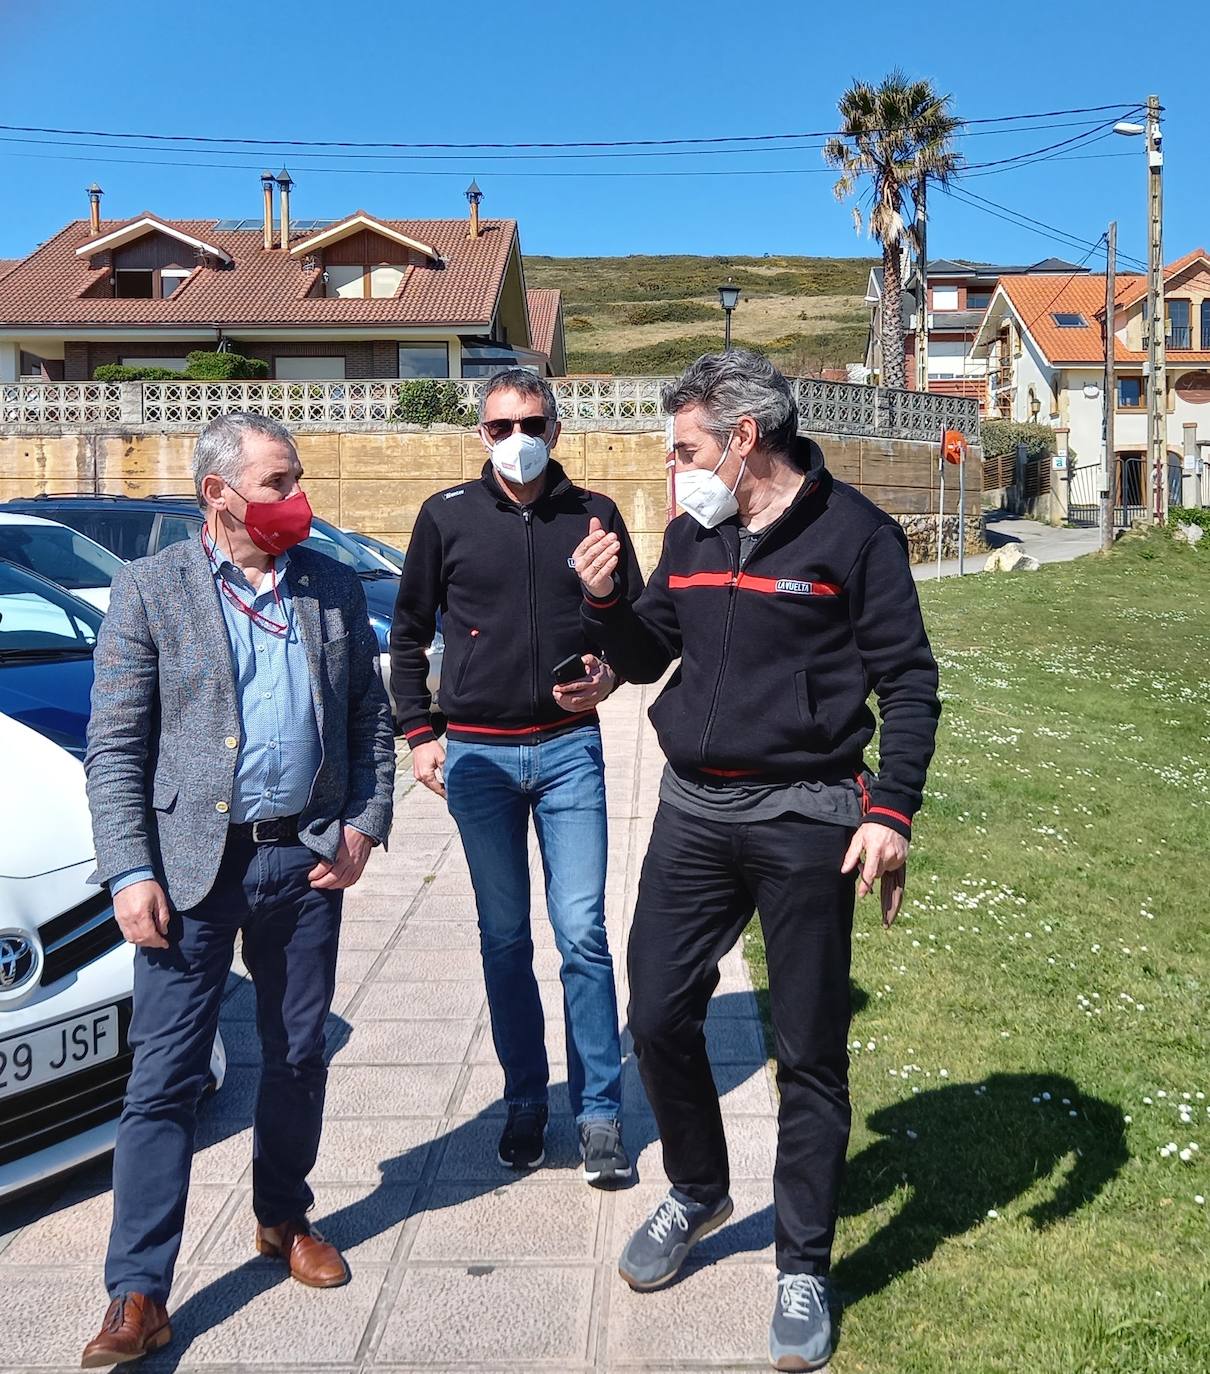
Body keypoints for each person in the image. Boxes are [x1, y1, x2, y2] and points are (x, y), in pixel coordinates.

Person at [572, 351, 940, 1372]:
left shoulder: (855, 535)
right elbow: (652, 645)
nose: (671, 464)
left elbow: (909, 683)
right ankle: (697, 1189)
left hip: (805, 816)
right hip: (692, 813)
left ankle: (803, 1261)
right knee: (655, 1013)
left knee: (809, 1046)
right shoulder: (693, 527)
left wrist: (891, 811)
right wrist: (606, 619)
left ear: (744, 438)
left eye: (685, 445)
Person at [80, 412, 396, 1368]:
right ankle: (139, 1289)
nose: (295, 498)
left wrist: (362, 827)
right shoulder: (150, 590)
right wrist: (130, 870)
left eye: (296, 478)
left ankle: (282, 1218)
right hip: (192, 872)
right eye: (276, 482)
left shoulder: (333, 586)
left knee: (299, 1052)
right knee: (165, 1078)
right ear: (217, 493)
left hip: (302, 861)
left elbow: (369, 725)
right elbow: (116, 748)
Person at [391, 369, 642, 1185]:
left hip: (570, 750)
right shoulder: (446, 516)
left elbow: (633, 641)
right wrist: (419, 731)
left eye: (530, 422)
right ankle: (526, 1102)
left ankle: (599, 1113)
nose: (516, 438)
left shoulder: (594, 514)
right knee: (504, 938)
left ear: (556, 428)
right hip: (478, 757)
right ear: (480, 436)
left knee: (581, 936)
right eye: (499, 427)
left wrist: (604, 648)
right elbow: (407, 633)